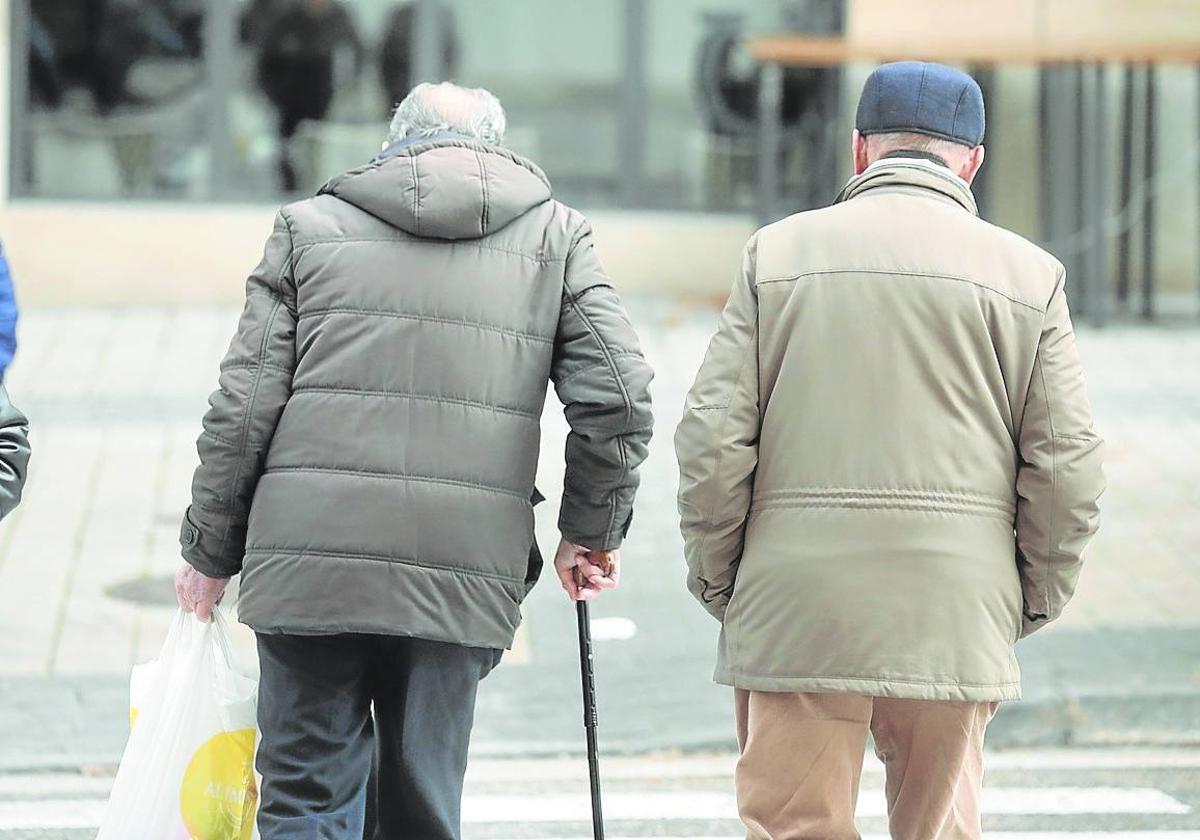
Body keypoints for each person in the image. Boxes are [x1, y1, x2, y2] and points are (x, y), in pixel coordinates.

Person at [175, 82, 654, 839]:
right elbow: (620, 396)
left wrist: (209, 551)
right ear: (495, 148)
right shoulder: (557, 238)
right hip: (459, 565)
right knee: (420, 806)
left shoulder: (307, 229)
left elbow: (243, 407)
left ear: (394, 141)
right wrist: (589, 530)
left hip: (311, 563)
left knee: (304, 801)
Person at [675, 61, 1104, 840]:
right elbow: (1067, 468)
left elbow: (711, 441)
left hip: (798, 602)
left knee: (795, 827)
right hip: (955, 602)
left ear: (860, 150)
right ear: (971, 160)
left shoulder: (775, 255)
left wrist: (721, 581)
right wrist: (1029, 594)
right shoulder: (1030, 276)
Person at [255, 0, 364, 190]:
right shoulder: (287, 21)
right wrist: (275, 95)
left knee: (323, 156)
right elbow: (266, 64)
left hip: (328, 105)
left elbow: (357, 56)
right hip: (289, 106)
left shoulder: (339, 21)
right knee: (289, 156)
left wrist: (348, 91)